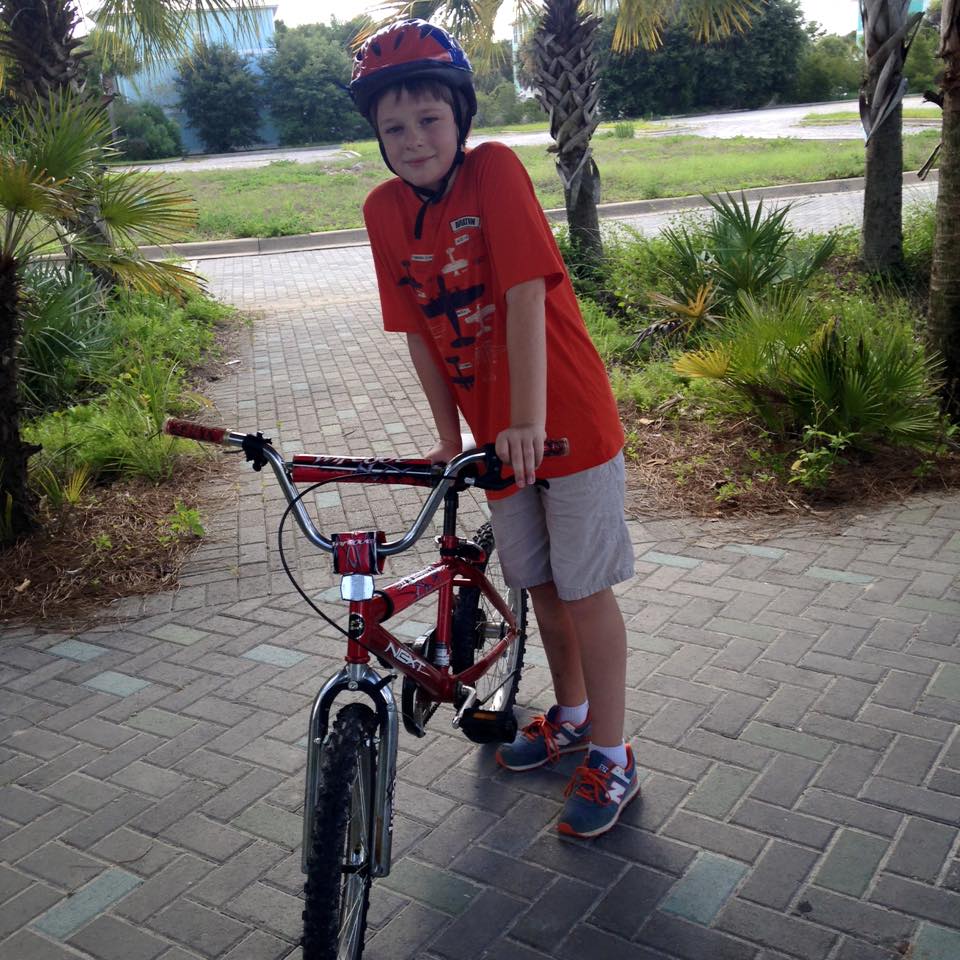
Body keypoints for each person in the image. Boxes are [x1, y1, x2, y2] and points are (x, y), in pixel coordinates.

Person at [350, 19, 638, 838]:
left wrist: (525, 422)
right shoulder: (382, 211)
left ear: (461, 118)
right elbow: (418, 330)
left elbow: (520, 296)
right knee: (541, 589)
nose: (413, 141)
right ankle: (572, 716)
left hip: (565, 423)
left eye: (429, 121)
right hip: (498, 438)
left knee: (585, 592)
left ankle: (615, 759)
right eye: (393, 128)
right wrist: (452, 435)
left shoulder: (496, 172)